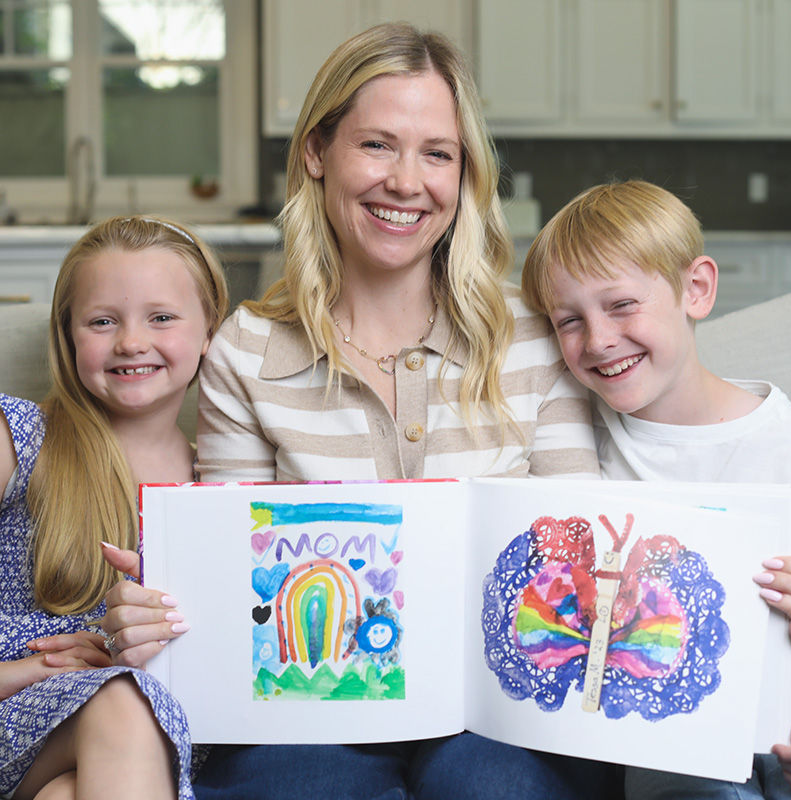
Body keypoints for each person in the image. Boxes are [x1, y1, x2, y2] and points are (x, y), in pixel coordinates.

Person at [148, 19, 601, 800]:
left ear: (465, 176)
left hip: (497, 708)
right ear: (317, 154)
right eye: (377, 145)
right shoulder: (244, 353)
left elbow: (579, 564)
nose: (407, 181)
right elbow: (233, 593)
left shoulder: (535, 339)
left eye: (438, 154)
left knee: (494, 786)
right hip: (310, 715)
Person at [522, 179, 791, 799]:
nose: (597, 341)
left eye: (621, 305)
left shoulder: (788, 446)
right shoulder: (572, 440)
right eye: (569, 321)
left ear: (695, 289)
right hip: (660, 729)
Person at [0, 215, 228, 800]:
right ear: (67, 335)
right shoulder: (19, 441)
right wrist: (28, 671)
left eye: (162, 318)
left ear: (210, 332)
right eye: (102, 321)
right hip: (16, 714)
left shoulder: (225, 487)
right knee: (123, 699)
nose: (131, 341)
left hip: (146, 753)